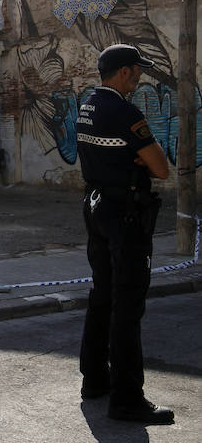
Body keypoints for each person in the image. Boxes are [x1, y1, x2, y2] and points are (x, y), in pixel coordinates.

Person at [76, 44, 173, 424]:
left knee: (102, 295)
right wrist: (140, 158)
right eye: (137, 70)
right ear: (123, 72)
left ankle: (95, 379)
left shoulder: (87, 105)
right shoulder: (125, 111)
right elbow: (161, 168)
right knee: (128, 304)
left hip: (96, 207)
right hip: (125, 215)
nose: (140, 77)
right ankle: (128, 399)